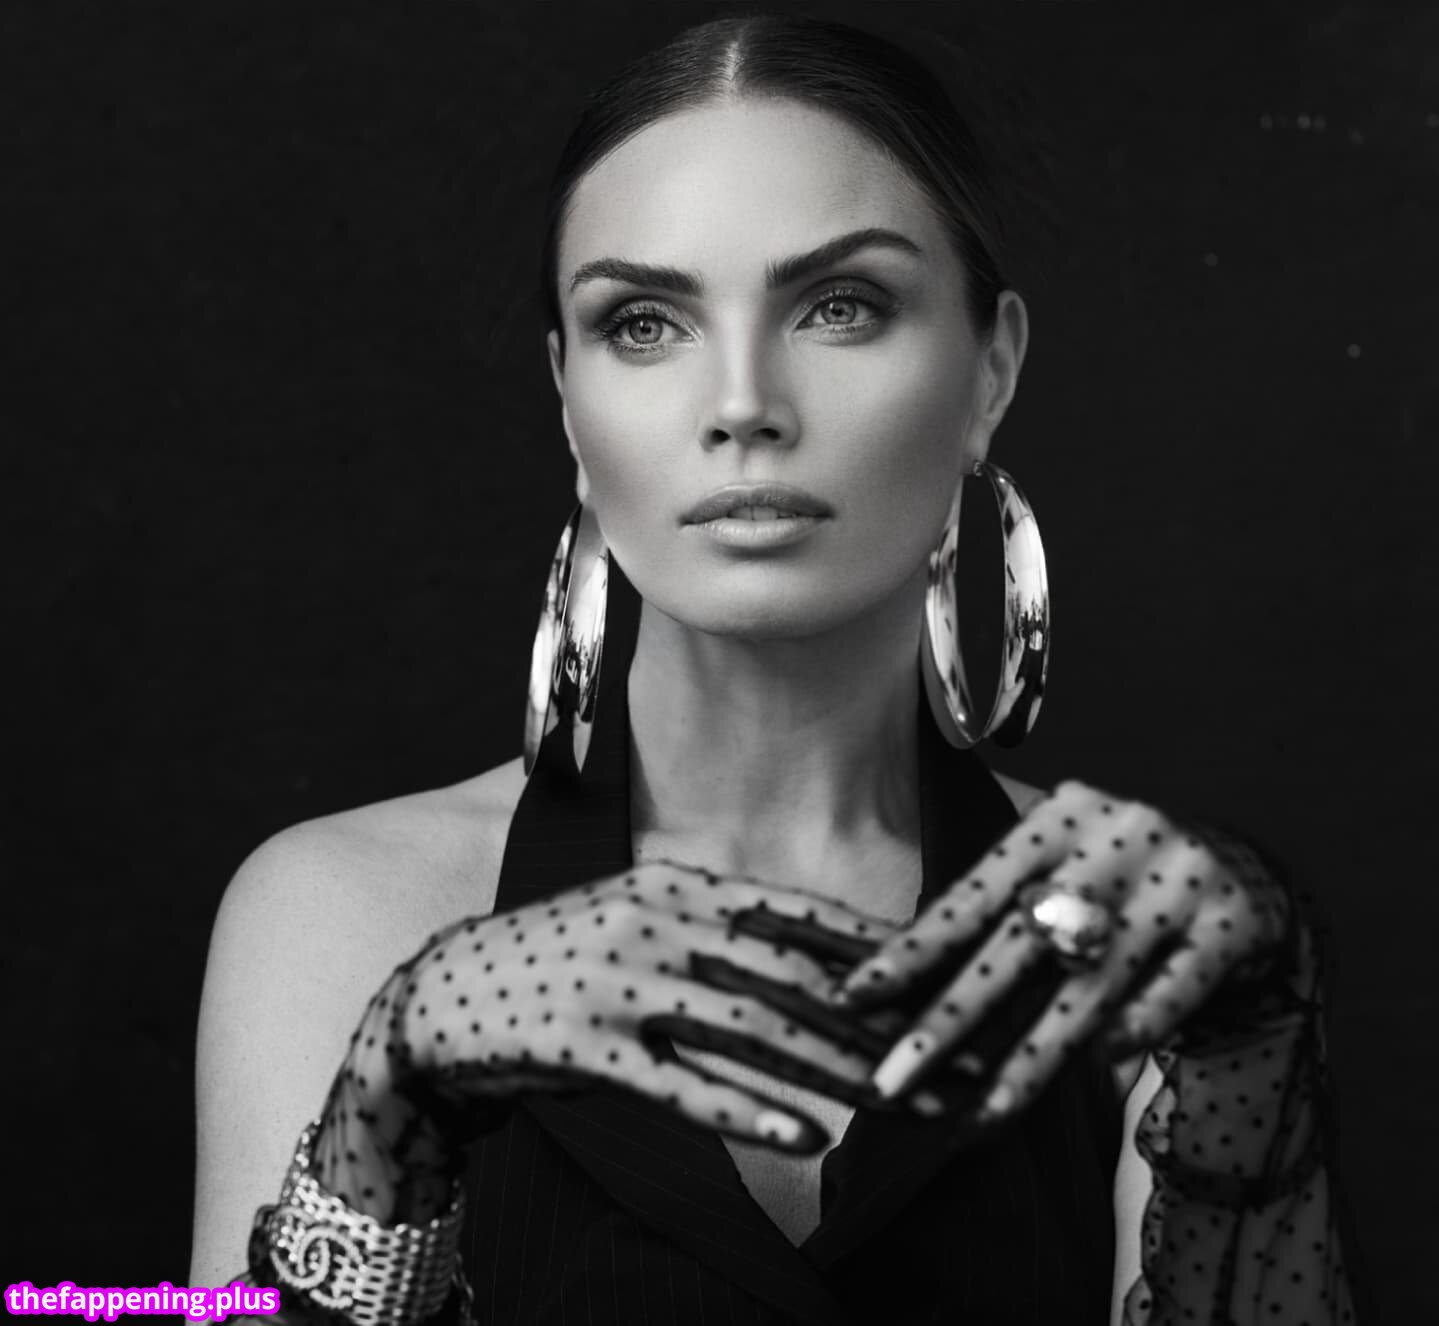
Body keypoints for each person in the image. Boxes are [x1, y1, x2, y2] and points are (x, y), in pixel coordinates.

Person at [190, 14, 1360, 1325]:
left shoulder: (1147, 945)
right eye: (644, 322)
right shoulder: (344, 910)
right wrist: (383, 1133)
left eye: (840, 305)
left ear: (990, 371)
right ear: (569, 399)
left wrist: (1249, 1077)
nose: (743, 402)